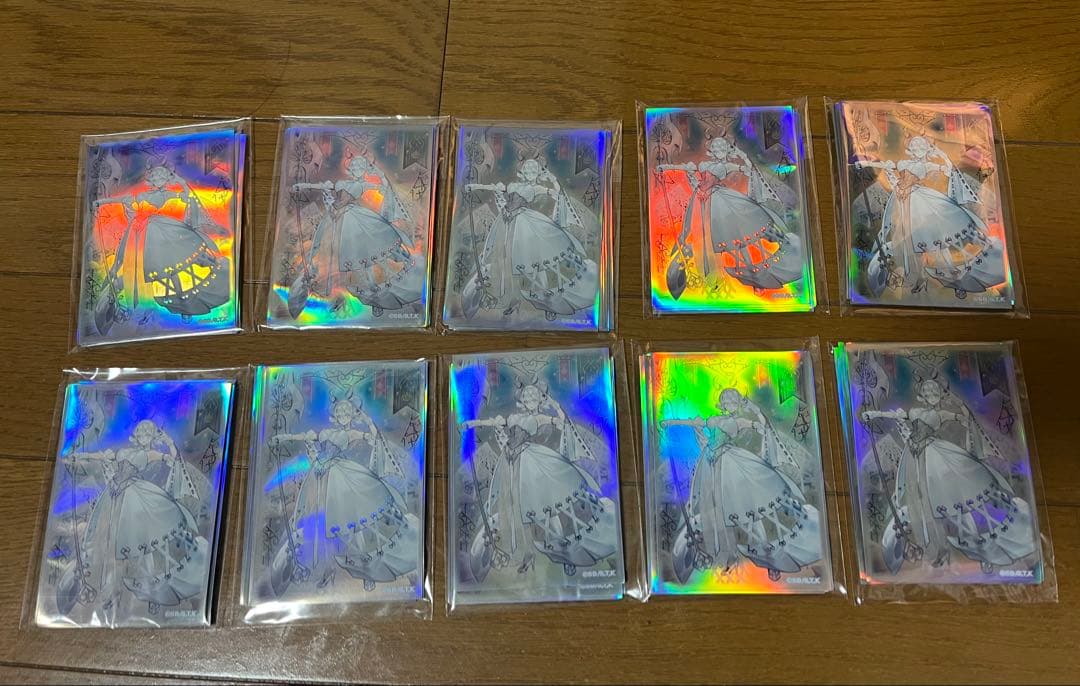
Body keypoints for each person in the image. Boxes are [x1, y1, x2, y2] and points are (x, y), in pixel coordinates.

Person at [861, 379, 1035, 573]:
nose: (932, 397)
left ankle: (979, 547)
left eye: (935, 393)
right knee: (925, 498)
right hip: (915, 457)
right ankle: (937, 548)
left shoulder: (941, 414)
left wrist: (963, 410)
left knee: (953, 494)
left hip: (935, 455)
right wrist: (873, 414)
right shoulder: (915, 412)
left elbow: (964, 417)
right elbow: (894, 415)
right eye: (928, 394)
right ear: (921, 396)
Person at [662, 388, 821, 583]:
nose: (729, 406)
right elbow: (693, 422)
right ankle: (725, 554)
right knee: (722, 510)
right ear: (722, 405)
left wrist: (754, 410)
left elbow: (762, 424)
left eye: (733, 402)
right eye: (726, 402)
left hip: (733, 465)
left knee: (752, 509)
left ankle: (772, 560)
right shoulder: (714, 420)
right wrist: (670, 423)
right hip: (712, 467)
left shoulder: (739, 422)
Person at [460, 383, 617, 579]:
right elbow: (491, 422)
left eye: (534, 396)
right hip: (511, 462)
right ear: (521, 400)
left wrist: (556, 406)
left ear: (540, 400)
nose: (530, 399)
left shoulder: (540, 418)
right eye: (526, 396)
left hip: (532, 462)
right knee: (518, 508)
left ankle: (566, 555)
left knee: (545, 506)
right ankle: (526, 553)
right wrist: (471, 424)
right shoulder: (513, 417)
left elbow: (562, 422)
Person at [56, 420, 207, 617]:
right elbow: (99, 456)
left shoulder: (151, 454)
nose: (144, 438)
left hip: (135, 499)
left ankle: (152, 594)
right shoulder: (123, 452)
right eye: (141, 434)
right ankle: (107, 590)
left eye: (148, 435)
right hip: (113, 498)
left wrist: (169, 442)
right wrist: (78, 456)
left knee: (142, 545)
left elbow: (172, 458)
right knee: (108, 543)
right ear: (136, 436)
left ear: (151, 438)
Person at [268, 399, 417, 592]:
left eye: (347, 413)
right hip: (320, 478)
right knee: (325, 527)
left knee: (355, 526)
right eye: (340, 414)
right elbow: (303, 435)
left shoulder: (352, 433)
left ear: (352, 416)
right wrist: (282, 437)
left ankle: (369, 572)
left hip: (342, 479)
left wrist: (366, 419)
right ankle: (325, 568)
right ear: (335, 416)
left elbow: (374, 436)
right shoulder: (326, 432)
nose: (343, 417)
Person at [853, 135, 1005, 299]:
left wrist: (942, 154)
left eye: (921, 146)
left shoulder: (928, 165)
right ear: (910, 150)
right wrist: (864, 164)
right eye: (915, 146)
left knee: (934, 237)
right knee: (907, 241)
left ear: (926, 150)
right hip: (902, 202)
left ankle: (953, 278)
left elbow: (948, 169)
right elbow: (882, 164)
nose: (918, 149)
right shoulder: (903, 163)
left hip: (920, 202)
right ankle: (915, 277)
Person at [657, 138, 803, 291]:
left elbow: (748, 169)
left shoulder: (728, 166)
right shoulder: (703, 164)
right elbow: (681, 167)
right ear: (712, 151)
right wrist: (664, 167)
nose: (719, 152)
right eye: (716, 149)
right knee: (706, 235)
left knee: (737, 232)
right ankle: (706, 274)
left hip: (720, 200)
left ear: (726, 151)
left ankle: (754, 276)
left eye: (722, 149)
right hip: (701, 201)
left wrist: (742, 155)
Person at [462, 158, 598, 321]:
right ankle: (512, 299)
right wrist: (474, 186)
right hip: (506, 223)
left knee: (532, 261)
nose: (530, 173)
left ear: (538, 174)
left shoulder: (537, 188)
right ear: (522, 172)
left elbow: (557, 194)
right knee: (507, 262)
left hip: (524, 224)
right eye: (527, 170)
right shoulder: (512, 185)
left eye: (534, 171)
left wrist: (554, 180)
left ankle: (549, 303)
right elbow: (493, 187)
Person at [92, 166, 230, 322]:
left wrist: (182, 183)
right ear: (151, 180)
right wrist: (100, 202)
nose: (158, 181)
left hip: (163, 230)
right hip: (142, 235)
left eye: (162, 178)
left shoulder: (168, 194)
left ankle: (186, 304)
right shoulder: (142, 195)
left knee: (175, 263)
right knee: (155, 267)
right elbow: (119, 199)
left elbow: (187, 196)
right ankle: (181, 304)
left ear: (166, 181)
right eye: (156, 178)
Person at [292, 157, 422, 315]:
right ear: (351, 170)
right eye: (355, 168)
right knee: (345, 255)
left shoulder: (363, 185)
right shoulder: (342, 183)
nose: (358, 171)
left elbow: (383, 186)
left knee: (368, 255)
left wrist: (381, 175)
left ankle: (377, 297)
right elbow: (321, 186)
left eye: (361, 168)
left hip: (356, 220)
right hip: (338, 220)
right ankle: (367, 296)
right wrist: (302, 186)